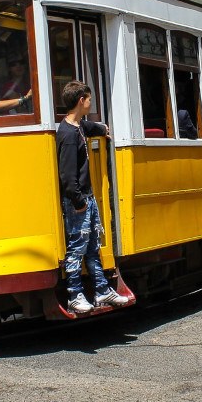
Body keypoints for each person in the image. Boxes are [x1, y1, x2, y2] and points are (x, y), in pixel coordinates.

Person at [57, 80, 129, 313]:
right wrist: (78, 201)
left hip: (86, 199)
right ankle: (75, 295)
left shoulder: (77, 127)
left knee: (91, 247)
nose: (90, 103)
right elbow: (67, 176)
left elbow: (89, 128)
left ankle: (101, 290)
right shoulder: (68, 135)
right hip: (78, 201)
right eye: (89, 99)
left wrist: (101, 129)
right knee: (77, 248)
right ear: (81, 101)